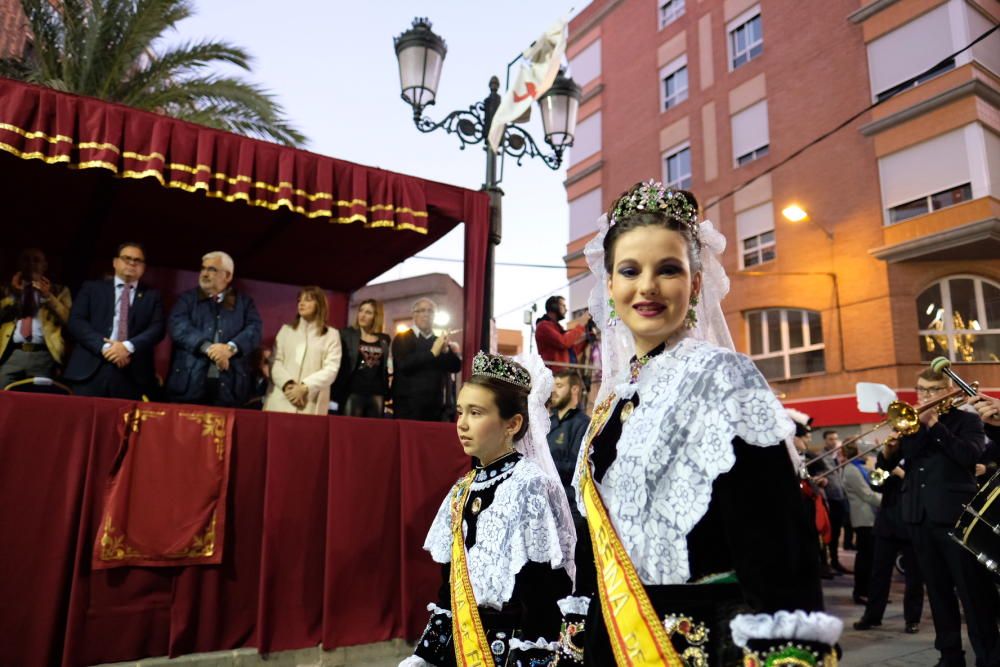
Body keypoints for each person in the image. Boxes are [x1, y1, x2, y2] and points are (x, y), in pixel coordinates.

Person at [566, 181, 839, 666]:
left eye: (668, 269)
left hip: (701, 649)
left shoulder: (724, 378)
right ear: (609, 286)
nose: (646, 286)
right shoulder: (610, 406)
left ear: (694, 284)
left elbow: (776, 546)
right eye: (630, 270)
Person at [399, 352, 576, 667]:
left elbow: (541, 597)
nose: (462, 424)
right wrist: (424, 656)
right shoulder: (462, 489)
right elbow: (449, 590)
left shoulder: (530, 485)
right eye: (460, 412)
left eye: (476, 413)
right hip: (461, 650)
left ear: (513, 424)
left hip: (508, 654)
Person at [882, 369, 999, 667]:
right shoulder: (912, 425)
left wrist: (934, 424)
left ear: (947, 390)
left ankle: (988, 657)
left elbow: (968, 456)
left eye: (932, 390)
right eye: (921, 390)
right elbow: (895, 465)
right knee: (937, 591)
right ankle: (949, 656)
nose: (925, 396)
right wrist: (889, 450)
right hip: (919, 517)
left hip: (954, 517)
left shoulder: (967, 420)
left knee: (973, 593)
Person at [64, 242, 165, 399]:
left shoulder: (152, 295)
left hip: (132, 373)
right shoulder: (92, 288)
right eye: (127, 258)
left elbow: (157, 329)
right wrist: (104, 347)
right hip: (91, 369)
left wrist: (127, 347)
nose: (132, 263)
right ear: (115, 262)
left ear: (143, 267)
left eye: (137, 260)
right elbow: (76, 322)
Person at [166, 251, 262, 407]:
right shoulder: (187, 299)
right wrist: (209, 348)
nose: (205, 273)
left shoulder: (244, 303)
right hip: (188, 385)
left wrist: (230, 349)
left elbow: (255, 331)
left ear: (228, 276)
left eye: (212, 269)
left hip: (231, 389)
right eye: (203, 268)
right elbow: (178, 327)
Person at [854, 450, 924, 634]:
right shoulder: (886, 456)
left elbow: (924, 485)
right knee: (878, 574)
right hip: (887, 524)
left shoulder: (919, 453)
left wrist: (903, 475)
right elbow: (876, 484)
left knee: (914, 577)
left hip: (912, 523)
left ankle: (912, 619)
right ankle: (872, 616)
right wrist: (885, 460)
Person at [263, 286, 342, 415]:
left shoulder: (331, 335)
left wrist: (305, 387)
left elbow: (331, 369)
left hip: (310, 404)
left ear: (319, 304)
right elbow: (275, 361)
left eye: (308, 300)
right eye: (300, 300)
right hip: (281, 400)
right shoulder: (286, 330)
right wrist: (288, 385)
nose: (301, 304)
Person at [0, 248, 72, 388]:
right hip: (12, 354)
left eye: (36, 260)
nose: (31, 264)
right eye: (26, 260)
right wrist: (14, 296)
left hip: (43, 356)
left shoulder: (59, 291)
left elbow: (68, 320)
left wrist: (48, 297)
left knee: (39, 400)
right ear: (19, 264)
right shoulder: (6, 289)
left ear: (45, 265)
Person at [391, 298, 461, 421]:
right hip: (407, 406)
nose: (426, 314)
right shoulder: (402, 338)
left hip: (434, 407)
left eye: (430, 311)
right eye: (422, 310)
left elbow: (455, 366)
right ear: (414, 314)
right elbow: (404, 364)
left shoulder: (438, 340)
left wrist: (446, 351)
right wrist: (432, 353)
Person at [333, 298, 390, 417]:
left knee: (373, 432)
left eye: (368, 312)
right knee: (350, 431)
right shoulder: (346, 335)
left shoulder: (384, 339)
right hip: (352, 392)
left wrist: (386, 392)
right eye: (361, 311)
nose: (362, 315)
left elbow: (383, 369)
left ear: (376, 316)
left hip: (376, 393)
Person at [841, 442, 881, 605]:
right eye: (866, 451)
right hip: (864, 519)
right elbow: (867, 495)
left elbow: (875, 483)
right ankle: (861, 592)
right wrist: (890, 502)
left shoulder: (860, 467)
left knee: (871, 557)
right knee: (865, 557)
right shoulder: (851, 470)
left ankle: (871, 591)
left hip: (870, 517)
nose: (869, 454)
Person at [547, 369, 590, 519]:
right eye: (553, 386)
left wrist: (542, 466)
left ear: (574, 389)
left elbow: (576, 469)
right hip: (546, 506)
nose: (554, 391)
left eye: (559, 385)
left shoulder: (583, 425)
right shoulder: (548, 423)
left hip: (570, 511)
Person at [819, 430, 852, 574]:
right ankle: (825, 564)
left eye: (836, 439)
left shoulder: (838, 457)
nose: (834, 442)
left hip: (840, 498)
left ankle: (835, 561)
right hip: (829, 499)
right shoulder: (821, 457)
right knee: (828, 533)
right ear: (825, 441)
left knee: (837, 532)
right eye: (831, 439)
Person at [535, 295, 590, 372]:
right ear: (554, 307)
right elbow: (563, 342)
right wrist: (580, 326)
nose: (566, 309)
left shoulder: (556, 327)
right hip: (556, 376)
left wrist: (586, 339)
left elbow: (570, 351)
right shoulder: (543, 327)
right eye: (563, 306)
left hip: (566, 373)